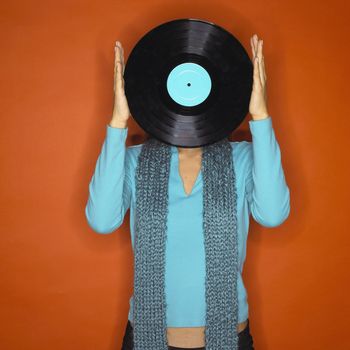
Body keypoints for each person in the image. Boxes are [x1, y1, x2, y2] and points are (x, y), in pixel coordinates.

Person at [85, 34, 290, 350]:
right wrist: (117, 122)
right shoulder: (134, 161)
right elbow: (102, 221)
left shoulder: (243, 157)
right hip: (145, 339)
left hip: (229, 338)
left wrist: (260, 116)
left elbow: (274, 214)